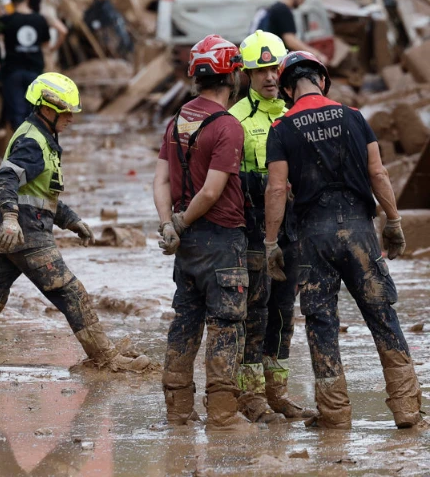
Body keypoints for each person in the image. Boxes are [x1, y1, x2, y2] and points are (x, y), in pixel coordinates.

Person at [0, 72, 150, 375]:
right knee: (71, 292)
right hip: (26, 235)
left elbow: (40, 195)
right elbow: (4, 181)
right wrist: (10, 218)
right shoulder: (32, 142)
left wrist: (72, 221)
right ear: (47, 108)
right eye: (67, 112)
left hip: (12, 234)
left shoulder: (42, 138)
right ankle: (106, 358)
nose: (71, 118)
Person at [264, 51, 422, 429]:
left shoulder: (282, 128)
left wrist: (271, 242)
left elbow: (276, 189)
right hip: (359, 231)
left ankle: (335, 415)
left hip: (313, 236)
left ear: (286, 88)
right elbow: (378, 173)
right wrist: (395, 222)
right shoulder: (353, 117)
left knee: (320, 320)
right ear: (322, 80)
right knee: (382, 313)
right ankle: (407, 409)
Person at [153, 34, 251, 431]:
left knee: (185, 322)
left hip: (186, 243)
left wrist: (168, 224)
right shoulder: (228, 126)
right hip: (221, 238)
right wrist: (184, 221)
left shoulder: (177, 120)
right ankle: (224, 417)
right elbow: (212, 191)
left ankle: (177, 414)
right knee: (226, 325)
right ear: (232, 77)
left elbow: (160, 181)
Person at [229, 30, 315, 423]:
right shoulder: (234, 120)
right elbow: (225, 179)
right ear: (246, 73)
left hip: (293, 228)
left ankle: (277, 391)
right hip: (252, 231)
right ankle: (250, 396)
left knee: (284, 308)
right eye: (260, 70)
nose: (268, 78)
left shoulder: (295, 113)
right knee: (254, 311)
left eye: (273, 69)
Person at [0, 0, 50, 131]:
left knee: (17, 113)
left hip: (12, 71)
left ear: (11, 1)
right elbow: (46, 43)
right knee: (34, 112)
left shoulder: (6, 20)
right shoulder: (40, 20)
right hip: (35, 71)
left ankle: (21, 146)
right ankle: (32, 145)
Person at [253, 0, 328, 65]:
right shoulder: (283, 10)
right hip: (274, 59)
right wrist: (315, 54)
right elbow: (290, 40)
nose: (302, 2)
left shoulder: (275, 7)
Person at [27, 0, 68, 70]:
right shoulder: (44, 17)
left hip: (27, 55)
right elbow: (63, 31)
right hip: (44, 54)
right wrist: (53, 48)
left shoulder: (23, 17)